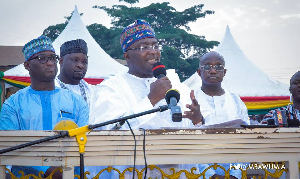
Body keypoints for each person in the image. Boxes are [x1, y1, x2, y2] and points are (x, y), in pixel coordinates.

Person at [89, 19, 202, 178]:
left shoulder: (177, 85)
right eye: (143, 47)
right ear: (127, 55)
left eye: (155, 45)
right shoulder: (111, 88)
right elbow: (109, 133)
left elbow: (196, 139)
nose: (152, 51)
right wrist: (151, 100)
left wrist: (198, 120)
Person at [0, 35, 89, 178]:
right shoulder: (13, 104)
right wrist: (47, 170)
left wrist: (65, 171)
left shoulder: (76, 102)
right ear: (27, 65)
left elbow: (84, 141)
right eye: (42, 58)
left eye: (53, 58)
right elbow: (9, 145)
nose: (50, 63)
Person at [195, 51, 250, 179]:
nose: (213, 71)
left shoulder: (236, 101)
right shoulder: (190, 100)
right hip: (199, 174)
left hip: (235, 173)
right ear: (199, 72)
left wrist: (236, 175)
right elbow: (187, 143)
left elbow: (248, 140)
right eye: (207, 67)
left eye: (218, 67)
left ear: (224, 72)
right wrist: (210, 175)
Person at [55, 39, 93, 107]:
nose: (80, 65)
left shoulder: (92, 92)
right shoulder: (50, 91)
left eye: (84, 62)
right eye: (75, 60)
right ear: (61, 61)